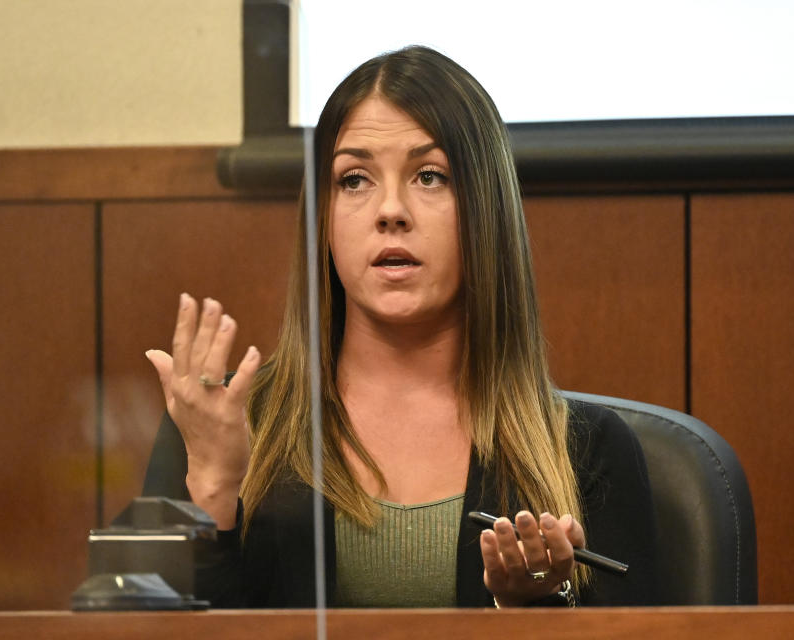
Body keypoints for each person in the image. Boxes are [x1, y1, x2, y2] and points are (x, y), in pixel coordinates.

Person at [144, 45, 658, 608]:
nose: (390, 210)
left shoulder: (587, 452)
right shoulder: (218, 429)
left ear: (484, 209)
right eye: (355, 179)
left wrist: (525, 614)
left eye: (430, 176)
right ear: (323, 217)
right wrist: (215, 489)